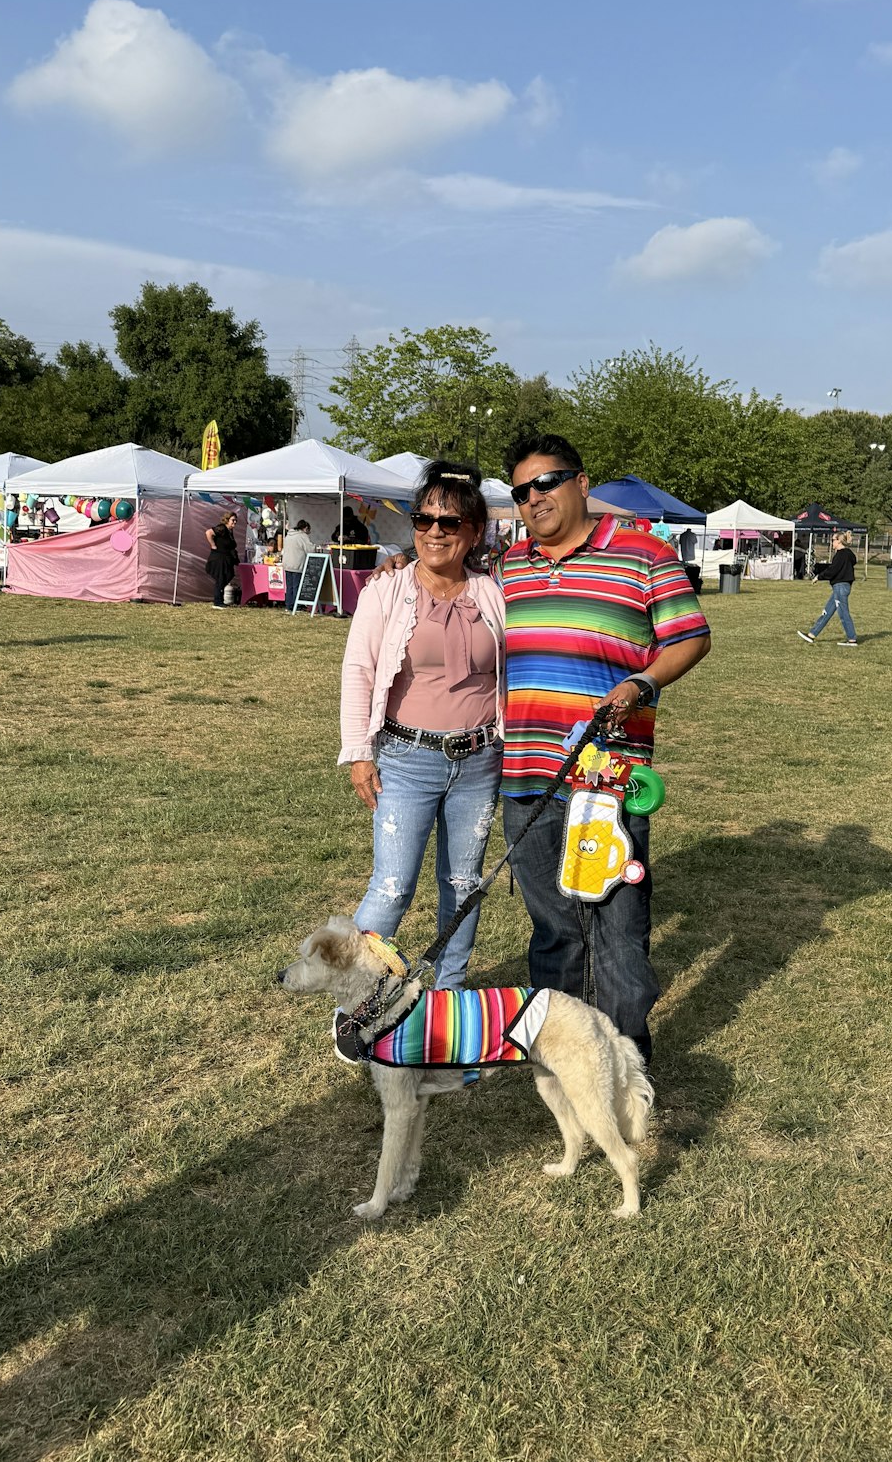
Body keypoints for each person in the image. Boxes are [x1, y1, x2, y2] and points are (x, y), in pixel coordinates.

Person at [499, 434, 711, 1064]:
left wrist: (643, 682)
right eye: (522, 490)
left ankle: (625, 1056)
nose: (534, 498)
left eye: (547, 482)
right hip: (525, 776)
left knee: (618, 926)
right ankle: (559, 1055)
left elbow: (692, 638)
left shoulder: (645, 554)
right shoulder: (508, 567)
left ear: (582, 482)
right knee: (553, 928)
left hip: (607, 780)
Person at [339, 461, 505, 988]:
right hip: (406, 760)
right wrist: (359, 752)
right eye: (424, 519)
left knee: (463, 884)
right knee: (390, 887)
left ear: (474, 532)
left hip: (480, 762)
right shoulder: (386, 590)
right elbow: (359, 669)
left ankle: (449, 997)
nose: (435, 531)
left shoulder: (493, 593)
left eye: (450, 522)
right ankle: (358, 1004)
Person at [798, 535, 858, 646]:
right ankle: (812, 634)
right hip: (841, 587)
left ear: (839, 541)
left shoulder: (841, 555)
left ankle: (852, 639)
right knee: (827, 611)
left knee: (843, 613)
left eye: (833, 540)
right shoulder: (849, 554)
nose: (831, 542)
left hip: (840, 587)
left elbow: (832, 570)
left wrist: (818, 577)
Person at [205, 511, 238, 609]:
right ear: (227, 520)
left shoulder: (230, 531)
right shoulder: (222, 528)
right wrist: (213, 545)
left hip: (226, 558)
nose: (235, 522)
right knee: (221, 578)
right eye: (233, 520)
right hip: (219, 558)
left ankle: (220, 599)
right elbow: (208, 532)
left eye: (236, 520)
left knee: (228, 575)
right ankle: (217, 601)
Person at [282, 518, 313, 610]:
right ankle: (297, 605)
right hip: (297, 564)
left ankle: (289, 605)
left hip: (287, 564)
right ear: (306, 528)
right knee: (297, 586)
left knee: (289, 586)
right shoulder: (302, 536)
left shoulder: (289, 535)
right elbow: (310, 549)